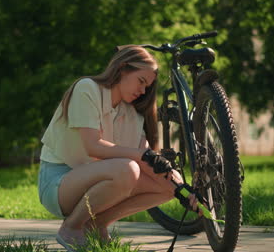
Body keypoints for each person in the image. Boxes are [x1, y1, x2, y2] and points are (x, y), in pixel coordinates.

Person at [38, 45, 201, 251]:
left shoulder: (131, 113)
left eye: (147, 86)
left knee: (165, 188)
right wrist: (142, 155)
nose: (143, 90)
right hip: (57, 183)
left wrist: (183, 191)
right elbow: (93, 146)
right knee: (128, 169)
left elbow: (153, 163)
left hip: (93, 181)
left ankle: (95, 224)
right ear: (123, 68)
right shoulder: (87, 88)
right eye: (141, 81)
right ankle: (71, 227)